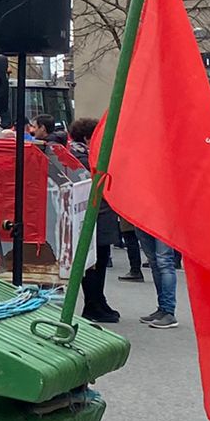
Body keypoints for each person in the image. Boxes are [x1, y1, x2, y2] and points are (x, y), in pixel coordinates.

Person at [71, 117, 119, 323]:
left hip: (101, 215)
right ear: (89, 138)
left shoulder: (85, 155)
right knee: (93, 264)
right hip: (95, 215)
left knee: (99, 262)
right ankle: (93, 304)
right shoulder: (84, 159)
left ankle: (98, 300)